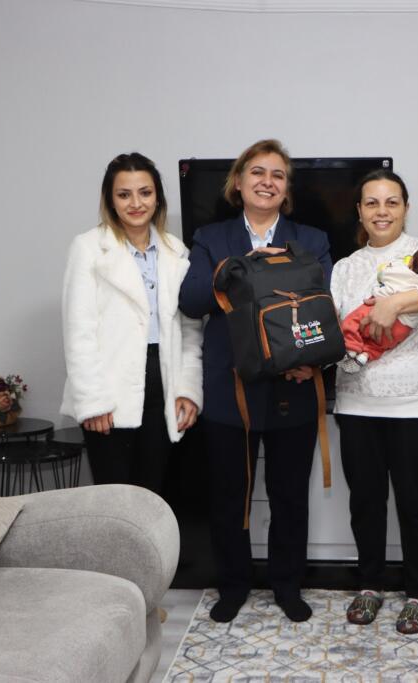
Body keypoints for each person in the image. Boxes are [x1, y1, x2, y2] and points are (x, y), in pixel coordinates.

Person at [178, 139, 331, 624]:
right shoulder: (211, 237)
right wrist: (243, 268)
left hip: (294, 385)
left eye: (278, 175)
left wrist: (313, 362)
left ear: (287, 188)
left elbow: (326, 310)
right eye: (258, 172)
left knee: (290, 497)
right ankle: (233, 585)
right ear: (239, 182)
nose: (267, 182)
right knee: (230, 497)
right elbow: (191, 300)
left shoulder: (312, 239)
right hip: (230, 390)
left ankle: (288, 585)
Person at [331, 169, 418, 634]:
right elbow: (334, 324)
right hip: (355, 403)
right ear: (359, 211)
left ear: (406, 207)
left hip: (413, 403)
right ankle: (369, 585)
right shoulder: (345, 266)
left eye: (392, 202)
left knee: (413, 504)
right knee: (365, 502)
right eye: (372, 203)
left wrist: (397, 302)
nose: (382, 211)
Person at [61, 152, 202, 493]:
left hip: (163, 386)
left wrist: (187, 390)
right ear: (110, 200)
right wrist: (93, 402)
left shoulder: (176, 251)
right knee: (115, 501)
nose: (136, 203)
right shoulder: (88, 248)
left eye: (145, 193)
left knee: (152, 496)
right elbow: (78, 332)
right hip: (110, 390)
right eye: (124, 194)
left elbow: (189, 330)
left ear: (158, 198)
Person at [338, 242, 418, 373]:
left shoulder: (399, 269)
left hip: (374, 311)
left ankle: (351, 349)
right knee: (379, 346)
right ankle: (365, 356)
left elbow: (382, 274)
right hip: (401, 329)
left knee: (352, 321)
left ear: (411, 261)